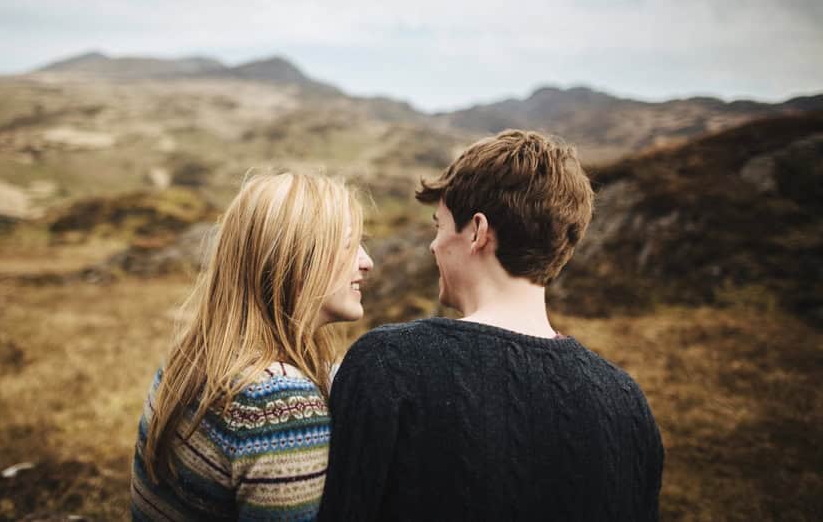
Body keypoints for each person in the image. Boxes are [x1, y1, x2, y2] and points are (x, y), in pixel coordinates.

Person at [318, 130, 663, 521]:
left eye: (439, 226)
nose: (433, 246)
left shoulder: (388, 363)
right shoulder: (627, 401)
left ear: (478, 232)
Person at [131, 172, 374, 521]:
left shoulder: (197, 355)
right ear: (296, 258)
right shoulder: (279, 401)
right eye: (350, 245)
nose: (367, 262)